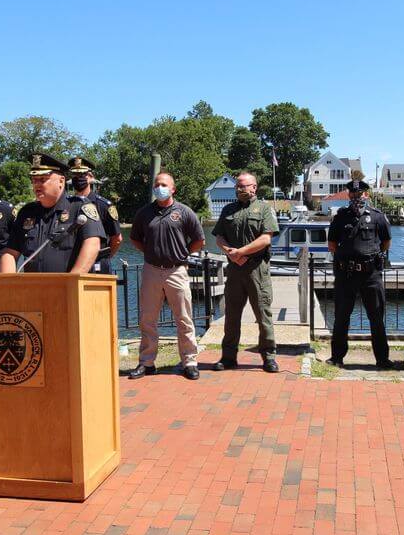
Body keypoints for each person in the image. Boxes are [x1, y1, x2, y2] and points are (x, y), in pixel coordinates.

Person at [128, 172, 206, 380]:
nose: (159, 187)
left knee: (184, 319)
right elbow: (135, 239)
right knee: (147, 319)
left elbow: (199, 240)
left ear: (173, 189)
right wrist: (150, 251)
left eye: (163, 184)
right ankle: (147, 363)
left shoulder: (184, 212)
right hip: (152, 270)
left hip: (177, 270)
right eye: (156, 184)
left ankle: (189, 361)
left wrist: (183, 253)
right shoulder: (145, 213)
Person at [212, 172, 280, 373]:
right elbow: (219, 237)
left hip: (256, 270)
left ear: (254, 187)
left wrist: (241, 252)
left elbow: (266, 238)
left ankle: (268, 357)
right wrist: (229, 252)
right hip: (234, 270)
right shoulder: (228, 210)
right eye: (238, 187)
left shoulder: (264, 209)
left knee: (263, 315)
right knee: (232, 316)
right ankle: (228, 357)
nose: (241, 189)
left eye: (245, 186)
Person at [326, 176, 393, 369]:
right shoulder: (340, 217)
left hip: (371, 275)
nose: (356, 196)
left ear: (366, 194)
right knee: (341, 317)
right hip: (346, 275)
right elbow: (332, 245)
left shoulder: (378, 216)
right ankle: (337, 357)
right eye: (353, 193)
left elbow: (386, 242)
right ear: (349, 194)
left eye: (360, 193)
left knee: (376, 317)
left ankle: (382, 358)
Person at [0, 153, 106, 274]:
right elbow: (10, 253)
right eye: (34, 180)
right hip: (32, 289)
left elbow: (92, 245)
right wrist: (8, 283)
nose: (37, 184)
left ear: (61, 181)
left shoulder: (80, 207)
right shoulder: (26, 213)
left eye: (43, 179)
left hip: (68, 289)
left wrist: (71, 281)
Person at [67, 156, 122, 275]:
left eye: (82, 175)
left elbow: (117, 239)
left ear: (90, 177)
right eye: (75, 175)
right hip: (72, 263)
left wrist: (103, 257)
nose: (78, 178)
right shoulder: (67, 205)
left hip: (97, 266)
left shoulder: (103, 205)